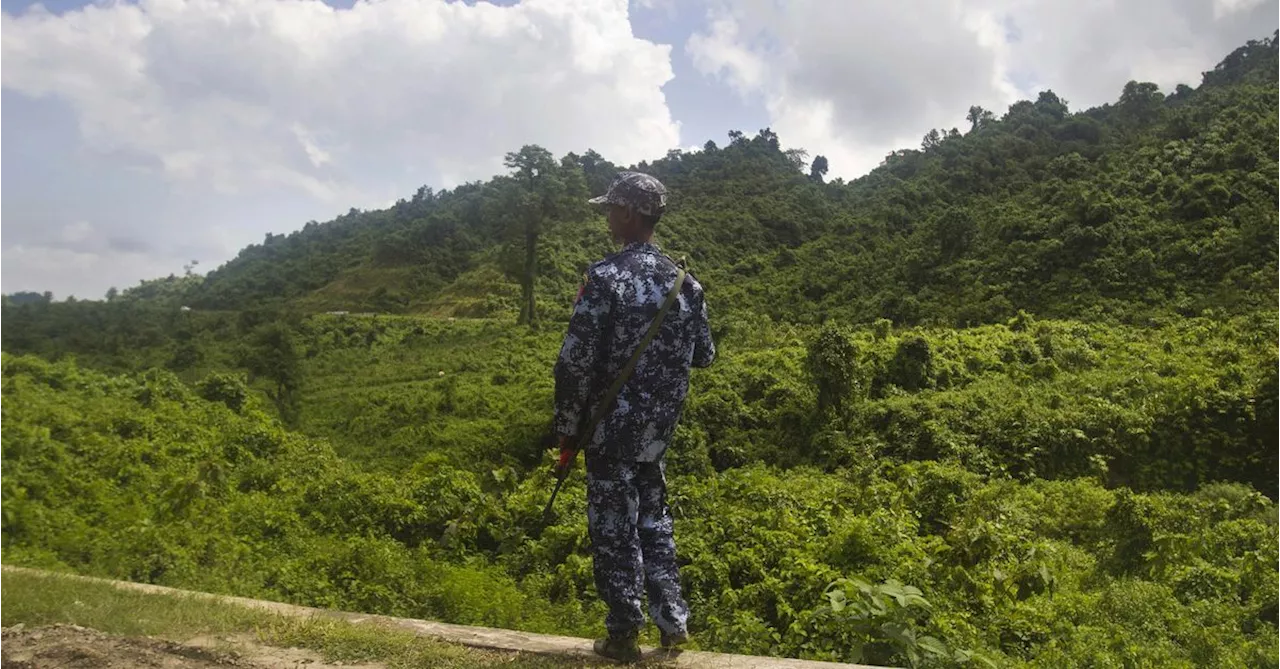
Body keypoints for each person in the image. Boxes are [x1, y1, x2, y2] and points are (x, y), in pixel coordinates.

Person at [552, 171, 717, 662]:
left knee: (613, 529)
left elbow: (573, 363)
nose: (606, 218)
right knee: (655, 521)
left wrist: (567, 431)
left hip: (608, 432)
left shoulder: (605, 278)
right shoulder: (687, 285)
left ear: (627, 213)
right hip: (656, 436)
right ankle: (673, 624)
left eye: (610, 209)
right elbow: (704, 355)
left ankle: (623, 635)